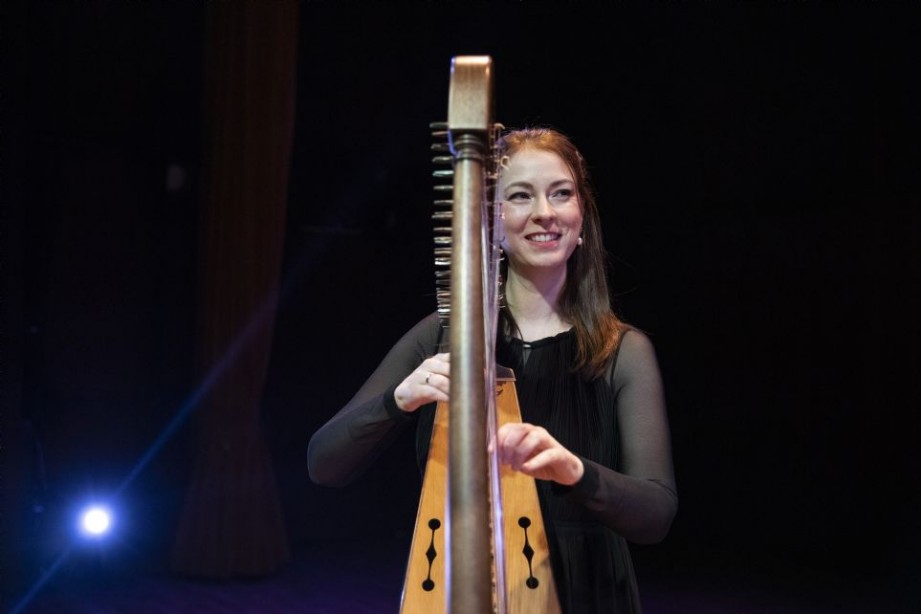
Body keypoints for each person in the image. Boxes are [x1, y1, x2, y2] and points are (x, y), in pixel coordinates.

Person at [307, 126, 678, 613]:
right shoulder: (439, 336)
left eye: (561, 194)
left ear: (581, 216)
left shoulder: (622, 351)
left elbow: (656, 515)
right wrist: (399, 399)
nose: (544, 212)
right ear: (492, 225)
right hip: (461, 587)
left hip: (590, 594)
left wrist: (573, 469)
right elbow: (323, 464)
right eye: (521, 196)